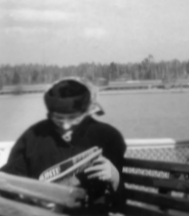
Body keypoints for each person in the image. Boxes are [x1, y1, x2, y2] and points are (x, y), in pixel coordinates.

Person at [0, 77, 126, 214]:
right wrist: (30, 196)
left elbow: (119, 200)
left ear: (86, 112)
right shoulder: (33, 136)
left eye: (73, 118)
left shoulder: (106, 136)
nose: (66, 125)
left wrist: (115, 177)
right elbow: (7, 183)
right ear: (50, 113)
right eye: (59, 118)